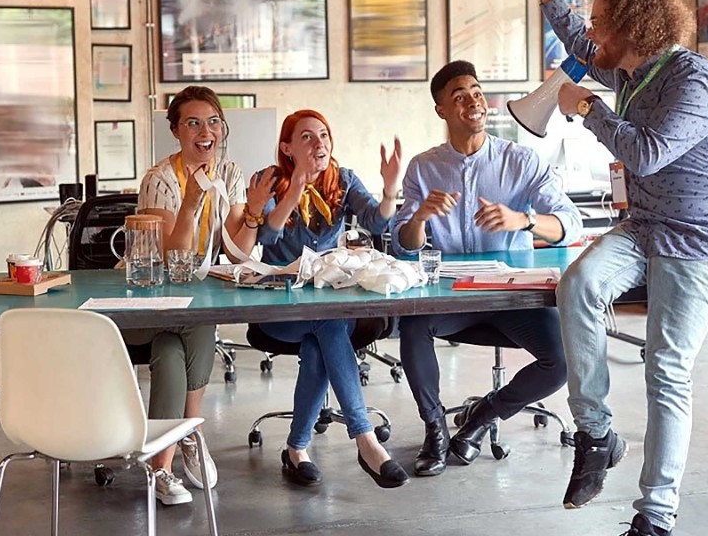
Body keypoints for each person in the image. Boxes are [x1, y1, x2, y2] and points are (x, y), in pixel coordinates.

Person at [539, 0, 708, 536]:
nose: (593, 34)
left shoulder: (692, 78)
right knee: (578, 284)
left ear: (634, 27)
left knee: (666, 365)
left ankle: (655, 516)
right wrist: (552, 0)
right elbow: (583, 46)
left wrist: (587, 109)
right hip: (650, 225)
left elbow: (648, 154)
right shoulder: (630, 73)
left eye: (602, 23)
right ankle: (597, 434)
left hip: (704, 236)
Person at [391, 61, 583, 477]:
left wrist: (525, 221)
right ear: (442, 110)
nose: (472, 101)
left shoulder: (521, 160)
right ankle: (435, 429)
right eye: (459, 96)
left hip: (513, 296)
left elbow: (572, 223)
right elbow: (403, 245)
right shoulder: (424, 168)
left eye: (476, 92)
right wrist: (420, 218)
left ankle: (482, 418)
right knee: (412, 324)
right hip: (452, 297)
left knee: (564, 362)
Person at [248, 109, 409, 489]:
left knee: (323, 336)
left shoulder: (343, 179)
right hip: (279, 306)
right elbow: (265, 240)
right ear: (286, 147)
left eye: (323, 135)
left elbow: (377, 222)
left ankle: (297, 449)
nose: (319, 143)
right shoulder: (268, 181)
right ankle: (365, 439)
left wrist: (389, 191)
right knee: (328, 325)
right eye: (306, 137)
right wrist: (294, 192)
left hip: (326, 298)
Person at [130, 86, 269, 506]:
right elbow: (174, 259)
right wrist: (191, 203)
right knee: (197, 318)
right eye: (193, 122)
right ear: (175, 131)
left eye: (212, 122)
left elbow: (237, 250)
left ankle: (161, 470)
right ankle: (192, 428)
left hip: (186, 310)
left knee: (171, 352)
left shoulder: (227, 172)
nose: (205, 131)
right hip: (146, 304)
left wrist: (255, 211)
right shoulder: (161, 180)